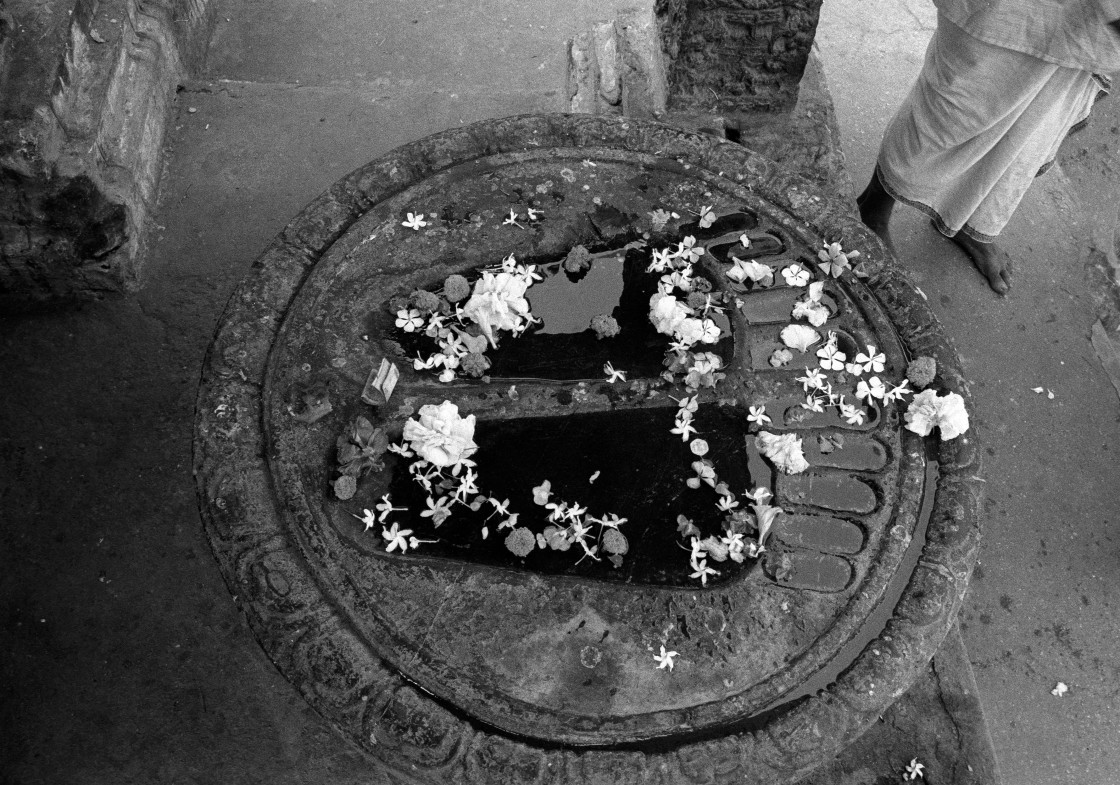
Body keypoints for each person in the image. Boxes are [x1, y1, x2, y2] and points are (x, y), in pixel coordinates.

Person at [857, 0, 1120, 294]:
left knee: (1029, 130)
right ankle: (873, 210)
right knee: (947, 118)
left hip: (1095, 26)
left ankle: (965, 217)